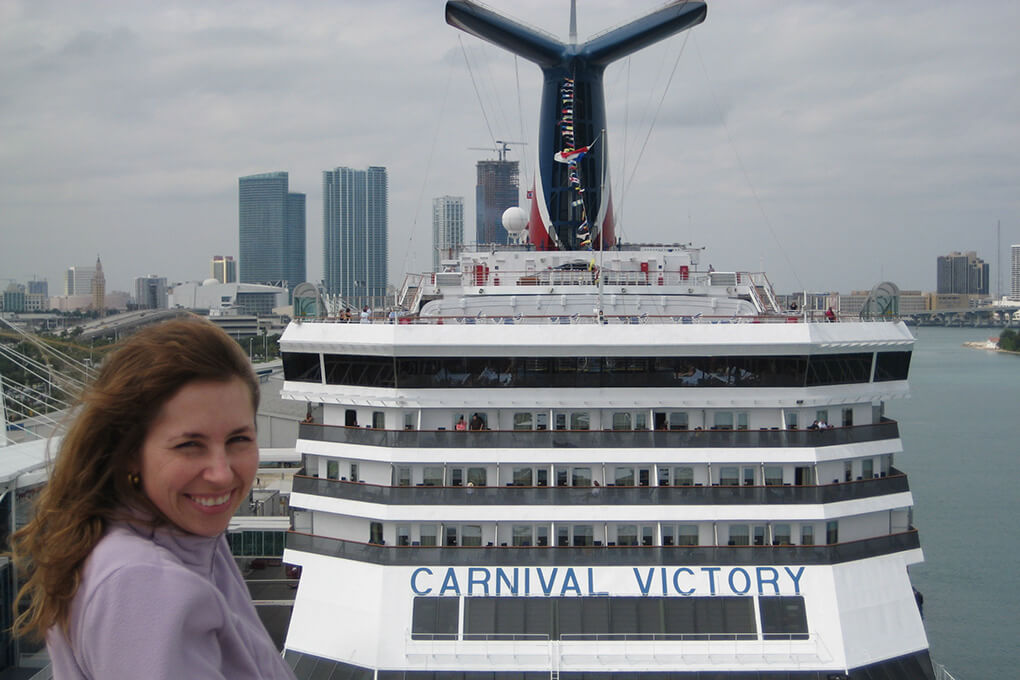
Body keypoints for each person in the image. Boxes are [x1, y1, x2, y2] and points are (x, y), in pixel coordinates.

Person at [9, 318, 296, 679]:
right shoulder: (143, 585)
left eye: (239, 439)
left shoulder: (184, 535)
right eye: (189, 445)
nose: (221, 473)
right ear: (130, 451)